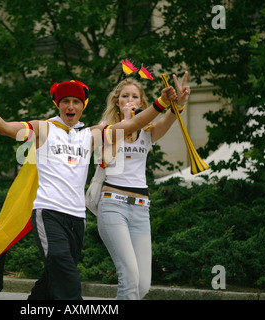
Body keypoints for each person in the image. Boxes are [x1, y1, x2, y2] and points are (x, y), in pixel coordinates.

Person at [0, 78, 172, 300]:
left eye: (75, 101)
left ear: (83, 106)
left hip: (76, 219)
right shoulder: (44, 128)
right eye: (65, 101)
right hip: (49, 213)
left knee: (52, 279)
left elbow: (130, 125)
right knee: (68, 280)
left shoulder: (90, 135)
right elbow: (5, 128)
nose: (70, 106)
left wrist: (161, 103)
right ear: (58, 105)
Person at [96, 72, 190, 300]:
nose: (130, 100)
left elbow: (170, 117)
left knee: (142, 285)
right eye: (125, 96)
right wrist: (129, 119)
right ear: (117, 102)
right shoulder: (106, 129)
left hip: (140, 209)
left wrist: (180, 103)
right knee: (129, 278)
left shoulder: (148, 133)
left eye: (135, 97)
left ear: (142, 102)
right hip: (113, 206)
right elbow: (106, 158)